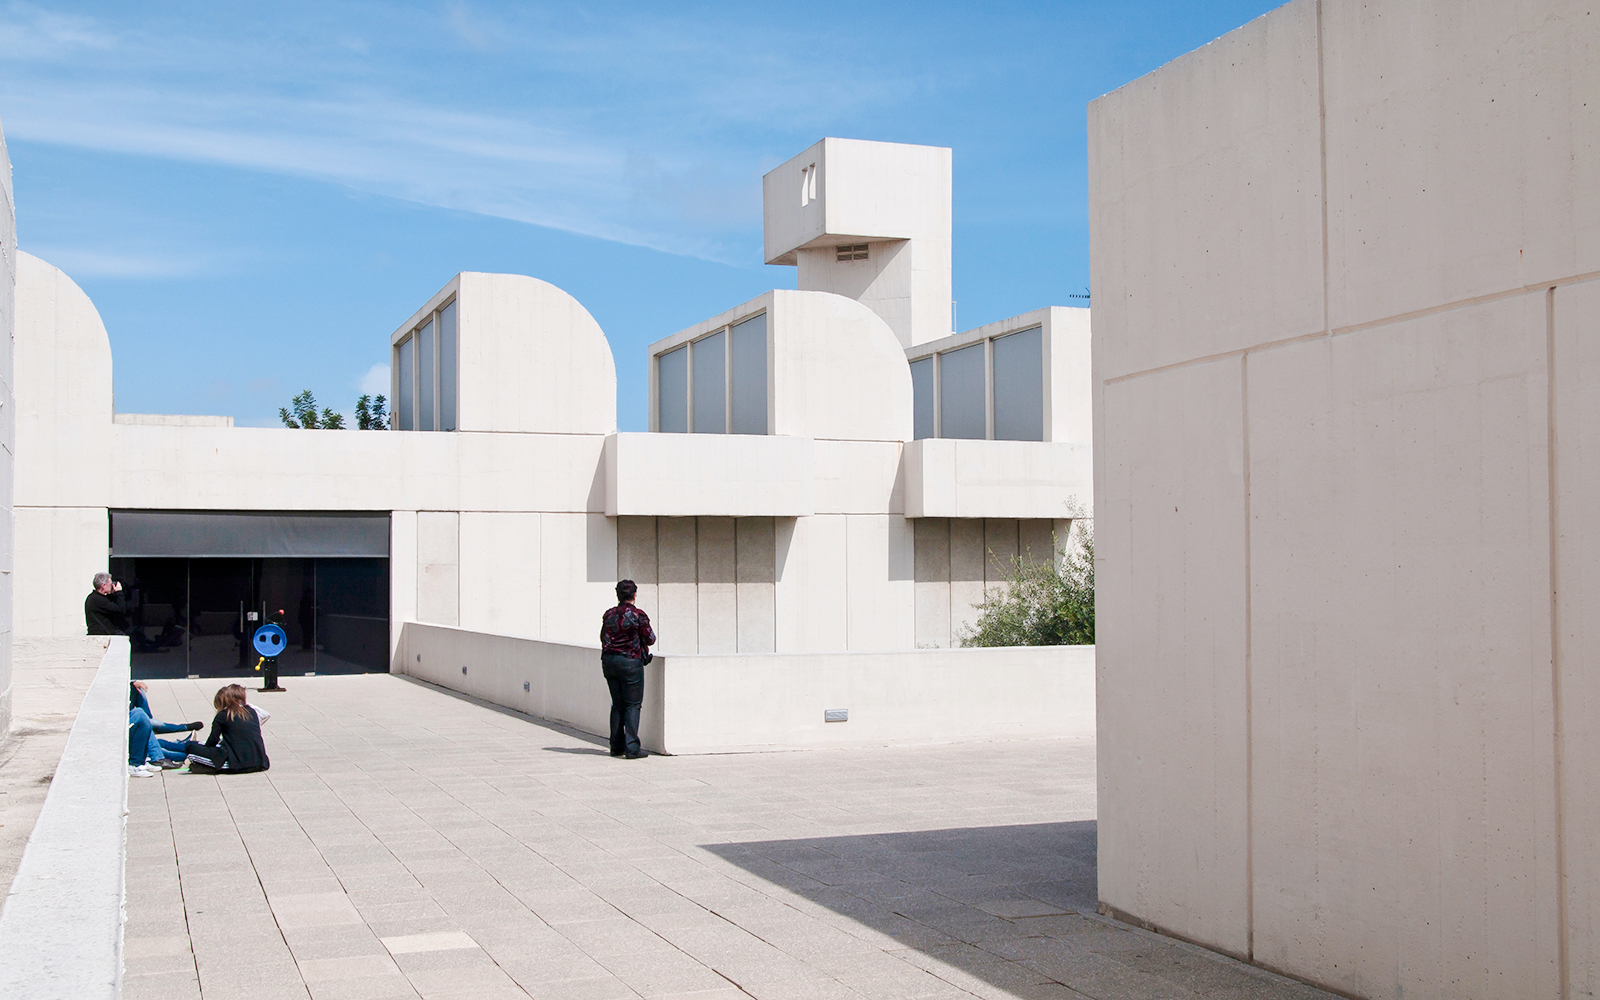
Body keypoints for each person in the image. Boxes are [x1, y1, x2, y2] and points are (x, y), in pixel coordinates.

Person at [599, 579, 654, 760]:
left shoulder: (609, 614)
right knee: (632, 705)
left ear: (618, 595)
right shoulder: (638, 615)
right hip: (631, 663)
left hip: (609, 661)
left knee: (617, 704)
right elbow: (650, 638)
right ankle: (632, 748)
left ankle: (616, 746)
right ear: (634, 595)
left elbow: (603, 637)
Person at [184, 684, 271, 774]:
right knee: (212, 745)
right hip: (261, 762)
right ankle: (200, 765)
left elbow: (212, 741)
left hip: (238, 764)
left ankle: (202, 765)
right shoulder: (251, 711)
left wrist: (205, 751)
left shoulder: (222, 715)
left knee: (190, 747)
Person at [127, 680, 204, 777]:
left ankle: (191, 746)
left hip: (139, 733)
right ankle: (196, 753)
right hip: (137, 743)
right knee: (161, 747)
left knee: (159, 741)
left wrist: (132, 683)